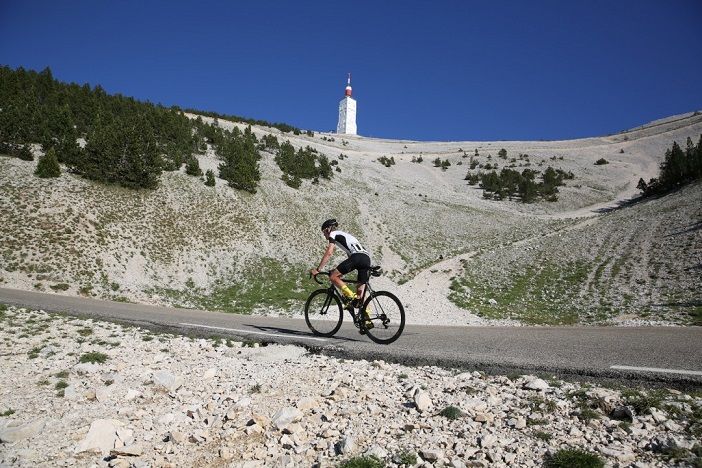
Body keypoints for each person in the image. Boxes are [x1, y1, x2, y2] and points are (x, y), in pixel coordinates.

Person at [310, 219, 373, 330]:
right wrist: (337, 271)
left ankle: (350, 296)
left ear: (327, 229)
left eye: (324, 233)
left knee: (333, 277)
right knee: (360, 294)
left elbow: (329, 252)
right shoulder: (348, 236)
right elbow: (351, 260)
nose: (325, 236)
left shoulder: (333, 234)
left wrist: (318, 269)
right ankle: (366, 320)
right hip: (366, 258)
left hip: (357, 257)